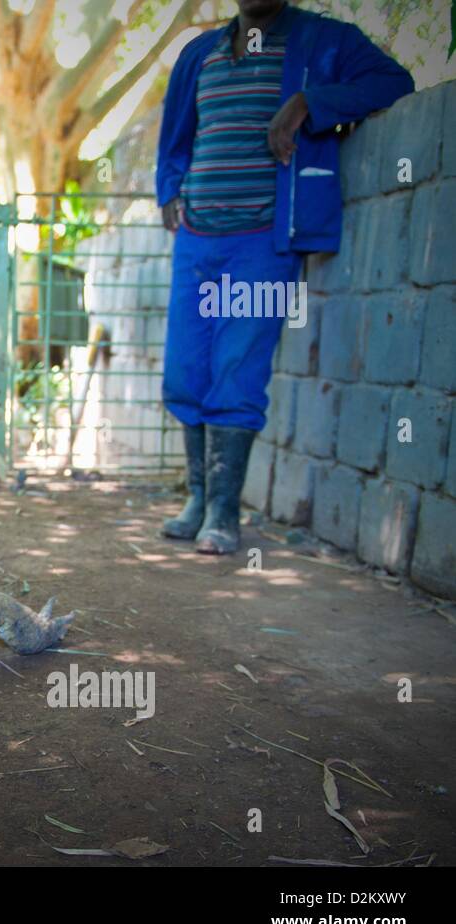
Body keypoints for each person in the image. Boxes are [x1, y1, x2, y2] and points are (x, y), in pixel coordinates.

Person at [156, 0, 412, 554]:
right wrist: (170, 191)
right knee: (184, 369)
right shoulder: (199, 53)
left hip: (263, 242)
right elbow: (175, 137)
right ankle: (198, 497)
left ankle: (224, 512)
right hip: (197, 238)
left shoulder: (326, 41)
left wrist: (308, 102)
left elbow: (394, 81)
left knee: (237, 368)